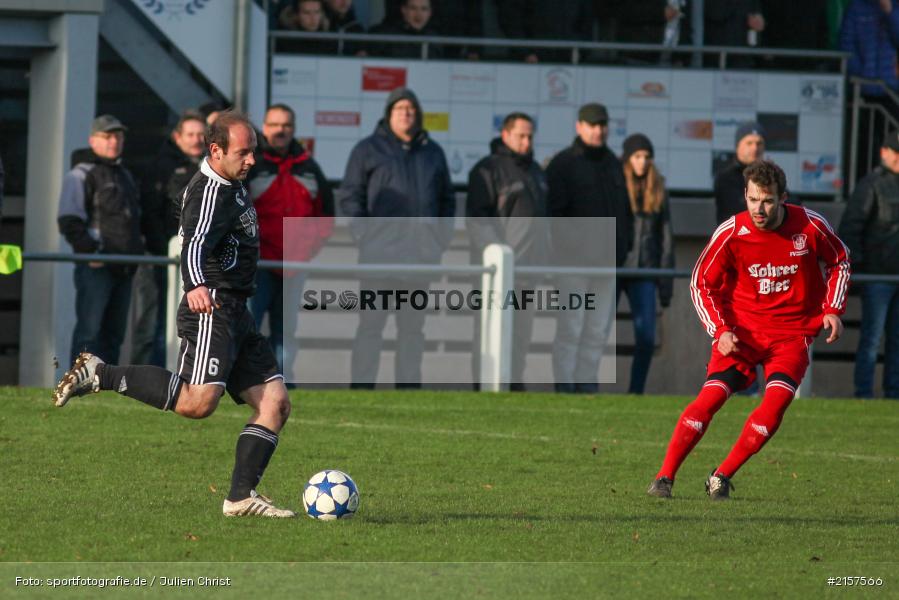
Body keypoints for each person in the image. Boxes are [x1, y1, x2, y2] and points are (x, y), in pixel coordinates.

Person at [53, 111, 296, 518]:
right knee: (197, 404)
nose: (253, 159)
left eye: (254, 150)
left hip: (237, 310)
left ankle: (239, 497)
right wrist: (197, 285)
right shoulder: (208, 192)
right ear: (216, 151)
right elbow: (193, 245)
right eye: (244, 151)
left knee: (275, 402)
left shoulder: (231, 181)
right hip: (213, 309)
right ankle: (101, 373)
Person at [647, 160, 850, 500]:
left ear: (782, 198)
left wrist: (832, 309)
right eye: (753, 199)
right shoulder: (731, 232)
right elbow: (701, 283)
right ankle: (664, 478)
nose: (759, 208)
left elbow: (840, 259)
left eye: (768, 200)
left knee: (774, 407)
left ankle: (721, 476)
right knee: (709, 399)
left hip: (790, 335)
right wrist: (719, 330)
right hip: (741, 334)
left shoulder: (810, 225)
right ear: (745, 195)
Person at [337, 87, 455, 388]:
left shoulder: (433, 152)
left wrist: (439, 240)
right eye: (400, 108)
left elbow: (447, 201)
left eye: (411, 109)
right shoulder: (367, 150)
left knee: (413, 331)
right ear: (389, 114)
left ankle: (408, 391)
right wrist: (364, 235)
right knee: (370, 328)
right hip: (378, 259)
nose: (406, 113)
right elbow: (350, 196)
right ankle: (361, 389)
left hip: (419, 260)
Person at [547, 103, 632, 394]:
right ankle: (565, 388)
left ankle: (587, 388)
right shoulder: (563, 164)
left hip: (607, 263)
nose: (598, 130)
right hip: (573, 265)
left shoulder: (613, 163)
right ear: (579, 126)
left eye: (602, 125)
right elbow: (554, 216)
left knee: (597, 332)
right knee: (570, 329)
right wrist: (574, 249)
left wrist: (624, 246)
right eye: (592, 124)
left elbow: (625, 211)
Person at [248, 103, 334, 381]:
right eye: (274, 125)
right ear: (264, 128)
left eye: (286, 125)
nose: (280, 130)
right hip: (257, 267)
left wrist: (310, 248)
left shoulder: (309, 167)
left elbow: (326, 215)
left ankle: (282, 385)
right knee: (248, 329)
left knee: (286, 333)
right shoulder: (251, 163)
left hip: (294, 267)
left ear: (294, 129)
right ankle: (245, 384)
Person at [466, 112, 550, 390]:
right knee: (491, 334)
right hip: (496, 274)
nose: (527, 142)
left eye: (530, 136)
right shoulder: (488, 170)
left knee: (521, 336)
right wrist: (500, 256)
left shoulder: (536, 172)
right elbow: (478, 220)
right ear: (505, 135)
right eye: (521, 136)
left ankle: (514, 385)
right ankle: (484, 388)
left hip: (529, 271)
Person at [57, 115, 144, 365]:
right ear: (92, 140)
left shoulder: (125, 174)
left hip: (124, 266)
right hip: (97, 267)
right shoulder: (81, 174)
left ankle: (107, 387)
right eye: (107, 136)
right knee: (89, 332)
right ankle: (78, 385)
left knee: (113, 336)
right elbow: (69, 220)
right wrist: (91, 253)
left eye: (118, 136)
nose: (114, 141)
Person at [132, 111, 206, 367]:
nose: (197, 139)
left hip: (198, 260)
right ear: (177, 137)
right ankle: (143, 377)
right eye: (190, 134)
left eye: (201, 134)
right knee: (152, 322)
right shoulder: (161, 167)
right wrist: (162, 248)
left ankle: (183, 376)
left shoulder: (210, 166)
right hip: (162, 257)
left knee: (187, 322)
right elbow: (150, 211)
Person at [838, 131, 899, 399]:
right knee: (872, 340)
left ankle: (892, 393)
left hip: (892, 275)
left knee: (895, 341)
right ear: (884, 152)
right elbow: (851, 228)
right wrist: (858, 270)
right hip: (877, 275)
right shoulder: (871, 184)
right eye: (895, 151)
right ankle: (863, 393)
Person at [617, 134, 674, 395]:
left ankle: (635, 392)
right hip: (616, 267)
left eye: (647, 157)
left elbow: (666, 238)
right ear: (628, 158)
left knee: (647, 338)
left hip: (646, 271)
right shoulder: (615, 183)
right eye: (637, 156)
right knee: (597, 333)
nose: (642, 162)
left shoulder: (659, 187)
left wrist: (665, 285)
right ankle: (588, 389)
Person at [714, 121, 766, 225]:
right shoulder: (725, 177)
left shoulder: (769, 175)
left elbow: (787, 203)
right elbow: (737, 209)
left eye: (759, 143)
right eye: (749, 143)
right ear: (738, 146)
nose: (755, 148)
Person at [369, 0, 443, 59]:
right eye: (413, 8)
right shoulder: (387, 35)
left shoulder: (435, 39)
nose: (418, 15)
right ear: (404, 10)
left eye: (424, 9)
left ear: (430, 13)